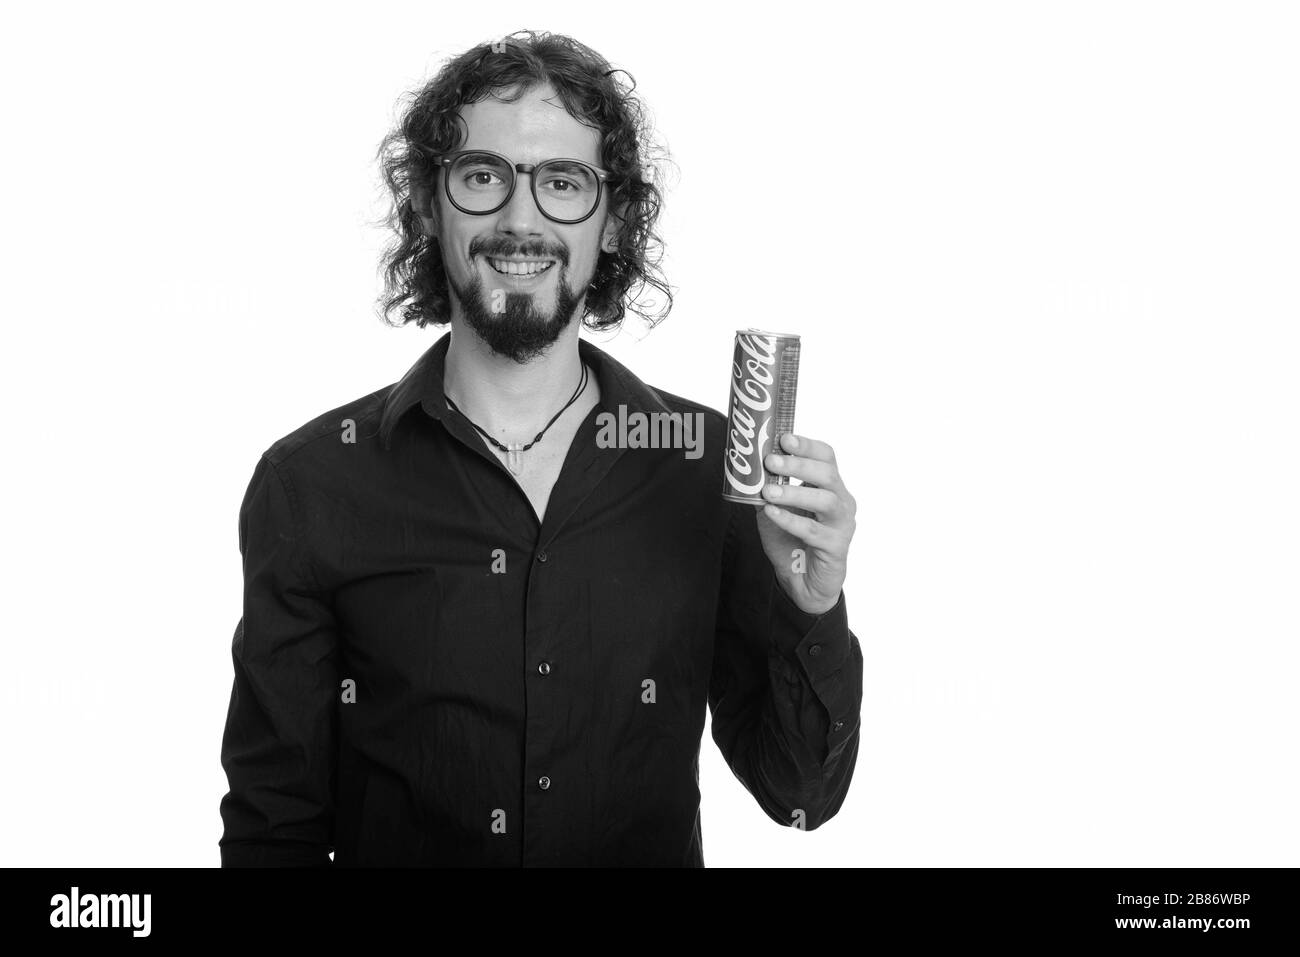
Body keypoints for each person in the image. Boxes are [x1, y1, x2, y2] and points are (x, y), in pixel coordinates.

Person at [219, 30, 863, 867]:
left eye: (563, 182)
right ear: (427, 202)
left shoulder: (705, 469)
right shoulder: (310, 486)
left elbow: (801, 794)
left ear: (615, 218)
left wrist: (808, 609)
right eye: (483, 176)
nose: (521, 220)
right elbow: (274, 832)